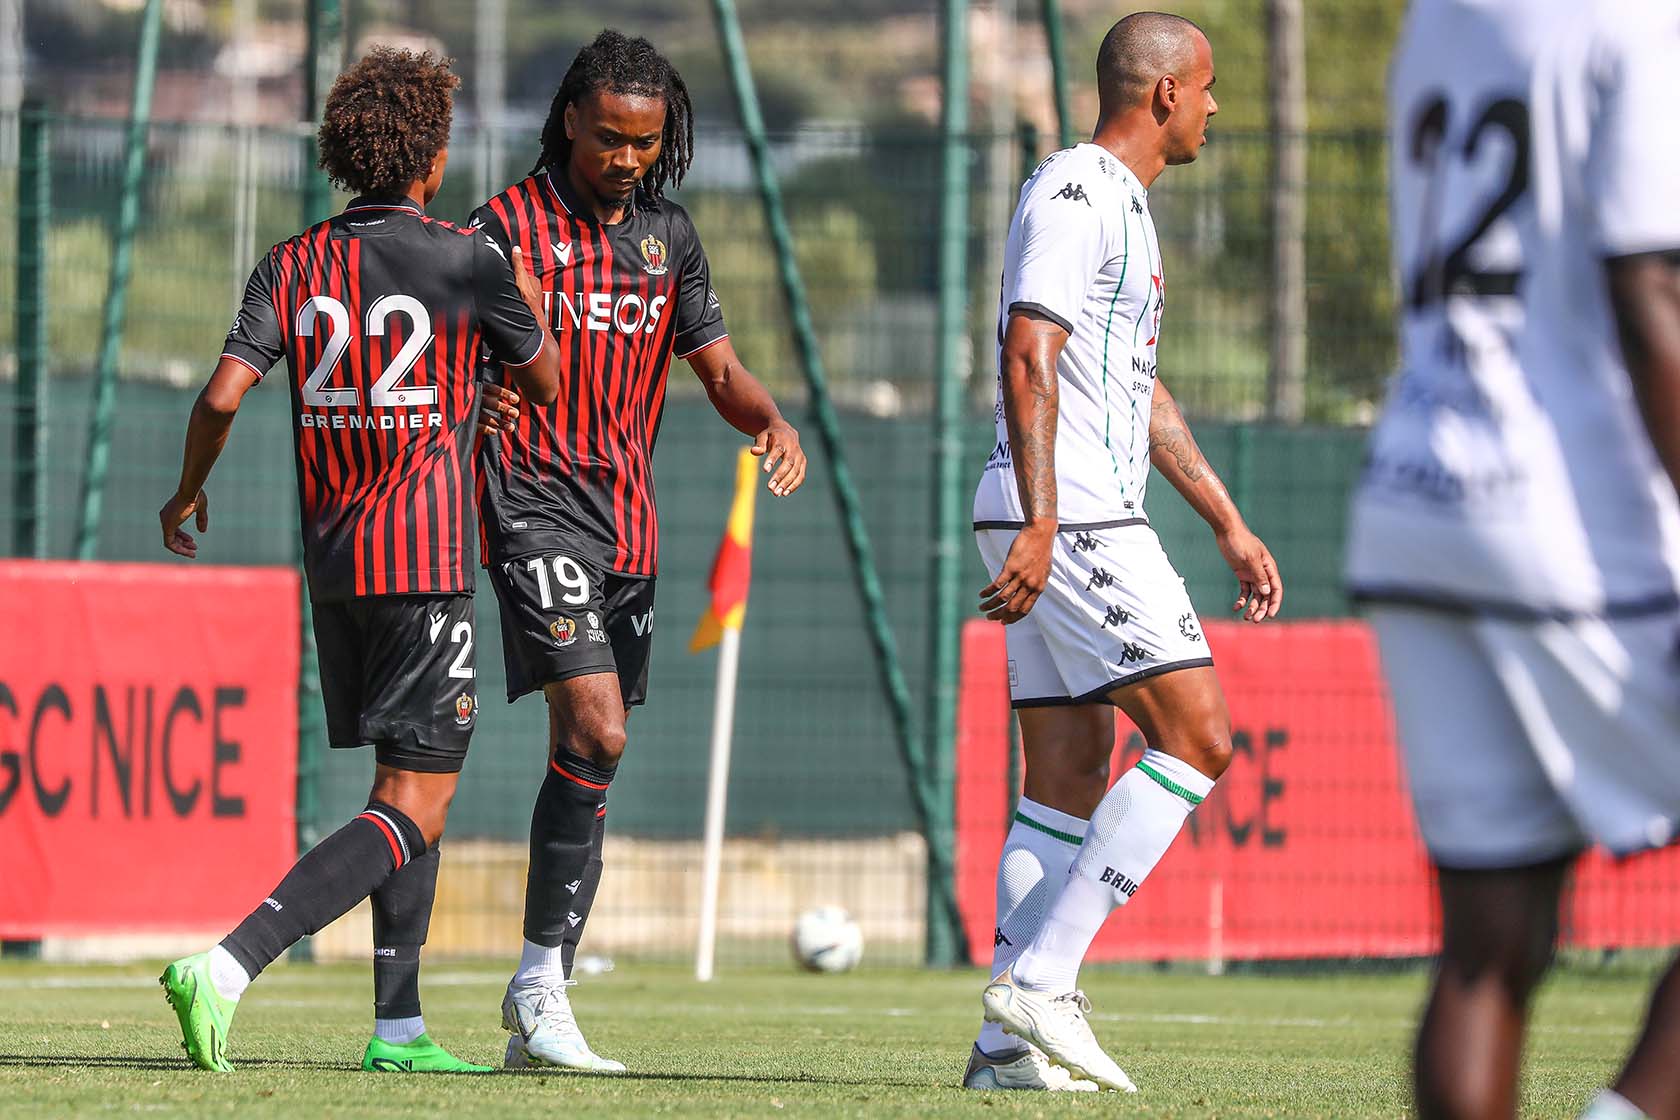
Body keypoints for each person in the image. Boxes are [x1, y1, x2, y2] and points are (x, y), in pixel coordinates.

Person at [156, 47, 559, 1073]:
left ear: (343, 154)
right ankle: (228, 965)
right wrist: (512, 311)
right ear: (433, 157)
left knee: (405, 789)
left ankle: (400, 1028)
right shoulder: (468, 258)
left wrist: (188, 488)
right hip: (426, 565)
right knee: (416, 804)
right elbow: (546, 379)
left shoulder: (290, 264)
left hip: (336, 567)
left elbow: (221, 395)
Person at [1347, 2, 1680, 1117]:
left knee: (1489, 946)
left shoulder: (1443, 22)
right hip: (1576, 520)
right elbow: (1651, 287)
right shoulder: (1638, 23)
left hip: (1418, 490)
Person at [468, 29, 806, 1072]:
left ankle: (543, 996)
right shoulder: (503, 227)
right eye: (609, 137)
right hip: (530, 502)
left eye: (645, 142)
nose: (626, 158)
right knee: (599, 727)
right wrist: (477, 394)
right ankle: (541, 985)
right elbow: (445, 350)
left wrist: (771, 418)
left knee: (590, 755)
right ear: (570, 119)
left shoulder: (670, 237)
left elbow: (720, 370)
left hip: (626, 522)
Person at [970, 12, 1282, 1094]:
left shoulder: (1124, 208)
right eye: (1207, 87)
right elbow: (1029, 349)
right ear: (1164, 94)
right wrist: (1045, 519)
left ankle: (1005, 1051)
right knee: (1200, 737)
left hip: (1062, 509)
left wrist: (1225, 519)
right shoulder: (1077, 189)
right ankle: (1044, 982)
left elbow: (1136, 391)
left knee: (1064, 774)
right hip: (1072, 514)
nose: (1214, 107)